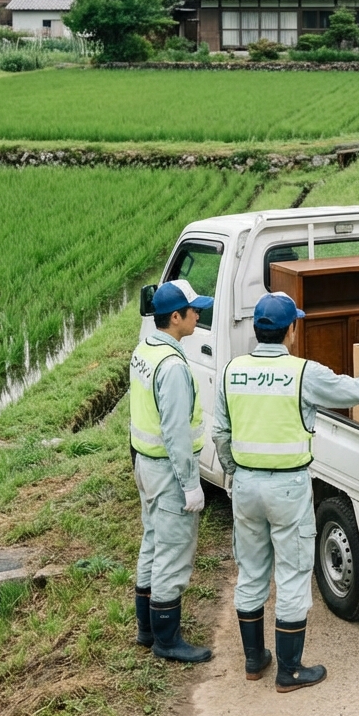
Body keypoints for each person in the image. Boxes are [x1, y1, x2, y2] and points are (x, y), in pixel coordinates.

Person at [212, 291, 359, 692]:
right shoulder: (303, 373)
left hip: (246, 485)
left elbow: (219, 433)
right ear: (291, 329)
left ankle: (254, 661)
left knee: (251, 572)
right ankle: (289, 671)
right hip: (287, 487)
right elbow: (356, 392)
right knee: (292, 574)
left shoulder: (232, 371)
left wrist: (235, 474)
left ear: (256, 330)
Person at [130, 279, 213, 663]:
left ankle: (146, 630)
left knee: (152, 541)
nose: (198, 314)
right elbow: (176, 432)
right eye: (193, 310)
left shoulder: (145, 351)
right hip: (168, 471)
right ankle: (167, 639)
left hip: (146, 465)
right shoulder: (173, 367)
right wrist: (191, 484)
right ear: (175, 317)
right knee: (173, 551)